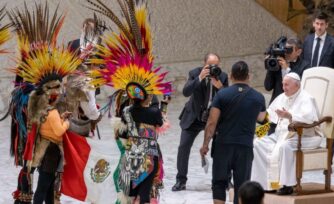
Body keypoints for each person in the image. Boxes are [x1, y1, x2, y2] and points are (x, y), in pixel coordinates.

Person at [200, 61, 266, 204]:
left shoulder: (222, 95)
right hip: (245, 146)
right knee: (242, 185)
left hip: (223, 145)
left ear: (230, 76)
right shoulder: (258, 97)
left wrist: (205, 145)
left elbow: (211, 122)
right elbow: (262, 119)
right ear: (248, 76)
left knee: (218, 182)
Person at [251, 72, 323, 195]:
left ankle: (287, 185)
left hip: (304, 136)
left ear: (297, 85)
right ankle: (266, 184)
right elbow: (269, 114)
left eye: (287, 85)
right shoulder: (282, 97)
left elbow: (310, 119)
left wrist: (290, 116)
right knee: (257, 143)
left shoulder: (306, 98)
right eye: (283, 84)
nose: (283, 88)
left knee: (285, 147)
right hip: (281, 135)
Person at [172, 53, 228, 191]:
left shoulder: (222, 76)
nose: (213, 68)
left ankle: (225, 180)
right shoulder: (195, 73)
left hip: (213, 118)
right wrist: (199, 78)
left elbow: (228, 98)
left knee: (222, 148)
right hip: (194, 117)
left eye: (216, 65)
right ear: (204, 64)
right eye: (210, 65)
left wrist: (220, 87)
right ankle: (181, 180)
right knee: (183, 147)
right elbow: (185, 92)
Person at [265, 37, 310, 104]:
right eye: (285, 49)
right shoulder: (278, 62)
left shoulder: (305, 66)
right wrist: (271, 65)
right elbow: (268, 87)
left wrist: (287, 70)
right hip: (276, 104)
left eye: (289, 50)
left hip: (293, 105)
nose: (286, 53)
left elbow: (300, 88)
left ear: (298, 52)